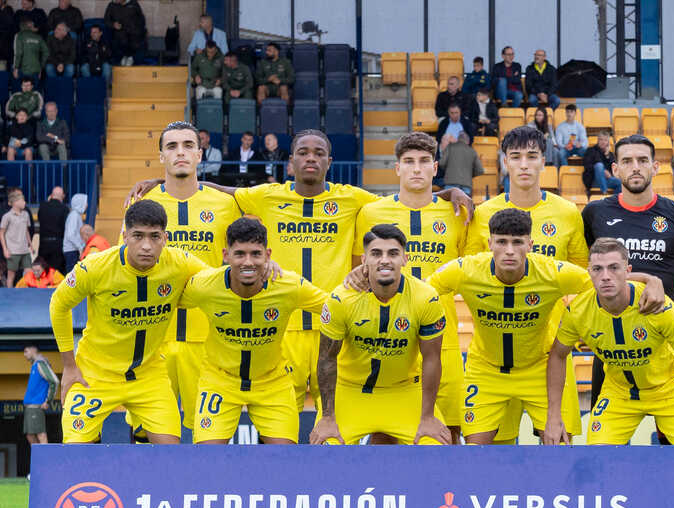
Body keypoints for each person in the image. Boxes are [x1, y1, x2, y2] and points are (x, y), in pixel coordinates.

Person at [127, 129, 474, 413]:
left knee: (335, 420)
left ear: (329, 162)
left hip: (333, 326)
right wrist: (161, 181)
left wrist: (449, 191)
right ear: (291, 162)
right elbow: (219, 190)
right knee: (282, 419)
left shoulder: (353, 199)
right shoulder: (268, 196)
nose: (311, 158)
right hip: (283, 327)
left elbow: (406, 198)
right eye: (303, 153)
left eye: (319, 153)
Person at [467, 126, 666, 443]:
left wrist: (646, 279)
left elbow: (590, 279)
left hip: (550, 354)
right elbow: (469, 275)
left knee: (559, 448)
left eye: (532, 156)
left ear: (543, 161)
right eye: (515, 157)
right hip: (492, 358)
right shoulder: (483, 215)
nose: (524, 165)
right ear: (504, 162)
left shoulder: (567, 213)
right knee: (489, 457)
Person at [581, 134, 674, 409]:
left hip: (665, 340)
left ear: (656, 166)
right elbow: (589, 271)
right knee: (601, 433)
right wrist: (645, 279)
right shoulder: (595, 214)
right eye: (627, 161)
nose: (635, 167)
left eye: (642, 160)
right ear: (615, 169)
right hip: (611, 340)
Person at [427, 209, 595, 444]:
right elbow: (420, 292)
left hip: (539, 369)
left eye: (517, 242)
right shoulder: (465, 270)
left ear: (530, 245)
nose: (509, 250)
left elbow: (605, 284)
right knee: (475, 451)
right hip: (486, 370)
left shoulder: (553, 273)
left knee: (559, 447)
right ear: (489, 244)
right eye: (501, 242)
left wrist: (646, 281)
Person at [49, 200, 206, 443]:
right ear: (125, 236)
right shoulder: (96, 267)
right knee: (75, 451)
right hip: (94, 374)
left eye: (155, 236)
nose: (146, 246)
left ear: (165, 238)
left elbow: (219, 282)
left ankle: (142, 437)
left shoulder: (179, 262)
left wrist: (260, 271)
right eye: (138, 236)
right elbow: (58, 304)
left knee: (171, 453)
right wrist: (69, 365)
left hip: (149, 375)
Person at [123, 121, 242, 435]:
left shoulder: (227, 205)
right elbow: (124, 269)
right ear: (161, 156)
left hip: (208, 339)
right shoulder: (141, 205)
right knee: (144, 433)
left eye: (188, 146)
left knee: (208, 435)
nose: (180, 153)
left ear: (200, 155)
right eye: (172, 146)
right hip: (153, 339)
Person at [353, 132, 469, 442]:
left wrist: (452, 192)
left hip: (443, 339)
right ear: (397, 168)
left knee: (448, 432)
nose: (416, 169)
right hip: (389, 340)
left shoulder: (457, 213)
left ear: (435, 168)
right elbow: (360, 274)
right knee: (384, 434)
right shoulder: (372, 213)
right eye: (408, 162)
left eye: (423, 162)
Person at [545, 238, 674, 445]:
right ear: (589, 273)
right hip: (618, 393)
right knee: (597, 457)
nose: (606, 276)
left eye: (614, 268)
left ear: (627, 271)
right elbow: (557, 355)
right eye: (598, 269)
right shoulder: (578, 311)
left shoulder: (656, 305)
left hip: (670, 390)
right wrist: (554, 415)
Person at [181, 218, 327, 444]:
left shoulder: (288, 285)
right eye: (240, 254)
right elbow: (166, 296)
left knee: (284, 459)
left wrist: (361, 280)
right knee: (208, 458)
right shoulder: (204, 286)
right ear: (226, 255)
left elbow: (335, 307)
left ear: (268, 255)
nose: (248, 262)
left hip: (272, 382)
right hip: (219, 381)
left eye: (256, 254)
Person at [311, 224, 450, 446]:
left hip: (404, 391)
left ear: (404, 259)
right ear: (364, 260)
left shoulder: (425, 298)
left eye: (393, 253)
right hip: (350, 391)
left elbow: (432, 358)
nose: (385, 260)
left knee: (435, 447)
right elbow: (327, 358)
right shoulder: (341, 299)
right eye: (376, 254)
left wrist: (427, 417)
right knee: (325, 448)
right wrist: (328, 418)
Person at [21, 344, 58, 476]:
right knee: (31, 436)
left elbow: (54, 381)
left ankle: (46, 470)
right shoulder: (34, 365)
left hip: (36, 407)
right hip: (30, 407)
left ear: (33, 350)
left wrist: (48, 400)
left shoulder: (40, 364)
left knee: (41, 436)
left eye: (26, 351)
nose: (24, 355)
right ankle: (40, 469)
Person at [0, 188, 33, 286]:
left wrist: (30, 244)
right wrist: (5, 249)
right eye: (22, 200)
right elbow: (1, 233)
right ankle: (9, 293)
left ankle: (26, 291)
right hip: (13, 250)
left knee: (29, 273)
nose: (24, 203)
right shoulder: (7, 216)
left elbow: (26, 230)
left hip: (25, 250)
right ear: (15, 202)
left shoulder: (26, 214)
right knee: (11, 275)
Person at [438, 131, 483, 196]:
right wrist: (469, 174)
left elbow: (441, 163)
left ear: (458, 139)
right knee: (464, 202)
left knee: (450, 201)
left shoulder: (450, 147)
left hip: (451, 182)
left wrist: (449, 170)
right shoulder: (472, 151)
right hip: (466, 184)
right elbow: (480, 170)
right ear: (468, 141)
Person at [104, 0, 146, 66]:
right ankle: (126, 56)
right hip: (119, 34)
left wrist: (139, 30)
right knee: (119, 40)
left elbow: (141, 19)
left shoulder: (133, 3)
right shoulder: (112, 5)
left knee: (135, 41)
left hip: (133, 34)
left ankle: (129, 57)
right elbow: (106, 20)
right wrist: (113, 24)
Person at [36, 186, 69, 270]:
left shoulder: (43, 207)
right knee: (56, 271)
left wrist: (48, 201)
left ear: (51, 195)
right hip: (57, 245)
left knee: (44, 270)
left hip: (43, 243)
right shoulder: (64, 209)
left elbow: (40, 218)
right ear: (63, 196)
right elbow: (65, 227)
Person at [63, 193, 87, 272]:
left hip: (72, 250)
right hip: (71, 251)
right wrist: (80, 246)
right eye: (85, 202)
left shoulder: (76, 215)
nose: (87, 205)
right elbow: (70, 235)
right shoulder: (74, 216)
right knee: (72, 274)